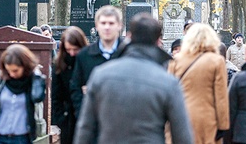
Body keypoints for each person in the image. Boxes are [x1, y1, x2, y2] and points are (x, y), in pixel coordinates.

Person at [74, 13, 194, 144]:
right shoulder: (168, 83)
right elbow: (182, 136)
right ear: (158, 41)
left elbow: (85, 128)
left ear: (129, 36)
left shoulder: (101, 75)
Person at [167, 23, 229, 143]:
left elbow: (168, 93)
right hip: (206, 118)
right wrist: (223, 125)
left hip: (179, 117)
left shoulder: (176, 61)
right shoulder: (216, 61)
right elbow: (221, 97)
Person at [0, 44, 46, 143]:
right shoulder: (0, 80)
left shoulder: (32, 81)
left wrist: (37, 75)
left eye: (15, 71)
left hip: (21, 138)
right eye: (8, 70)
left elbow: (38, 97)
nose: (12, 74)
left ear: (25, 66)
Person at [70, 5, 123, 118]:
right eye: (103, 23)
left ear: (119, 26)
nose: (107, 27)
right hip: (93, 118)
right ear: (97, 26)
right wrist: (82, 113)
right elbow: (76, 88)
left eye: (111, 23)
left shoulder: (129, 53)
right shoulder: (84, 56)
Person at [51, 26, 88, 144]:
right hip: (68, 116)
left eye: (75, 49)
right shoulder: (59, 64)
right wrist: (60, 119)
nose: (72, 53)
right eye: (68, 50)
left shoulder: (87, 62)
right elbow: (56, 95)